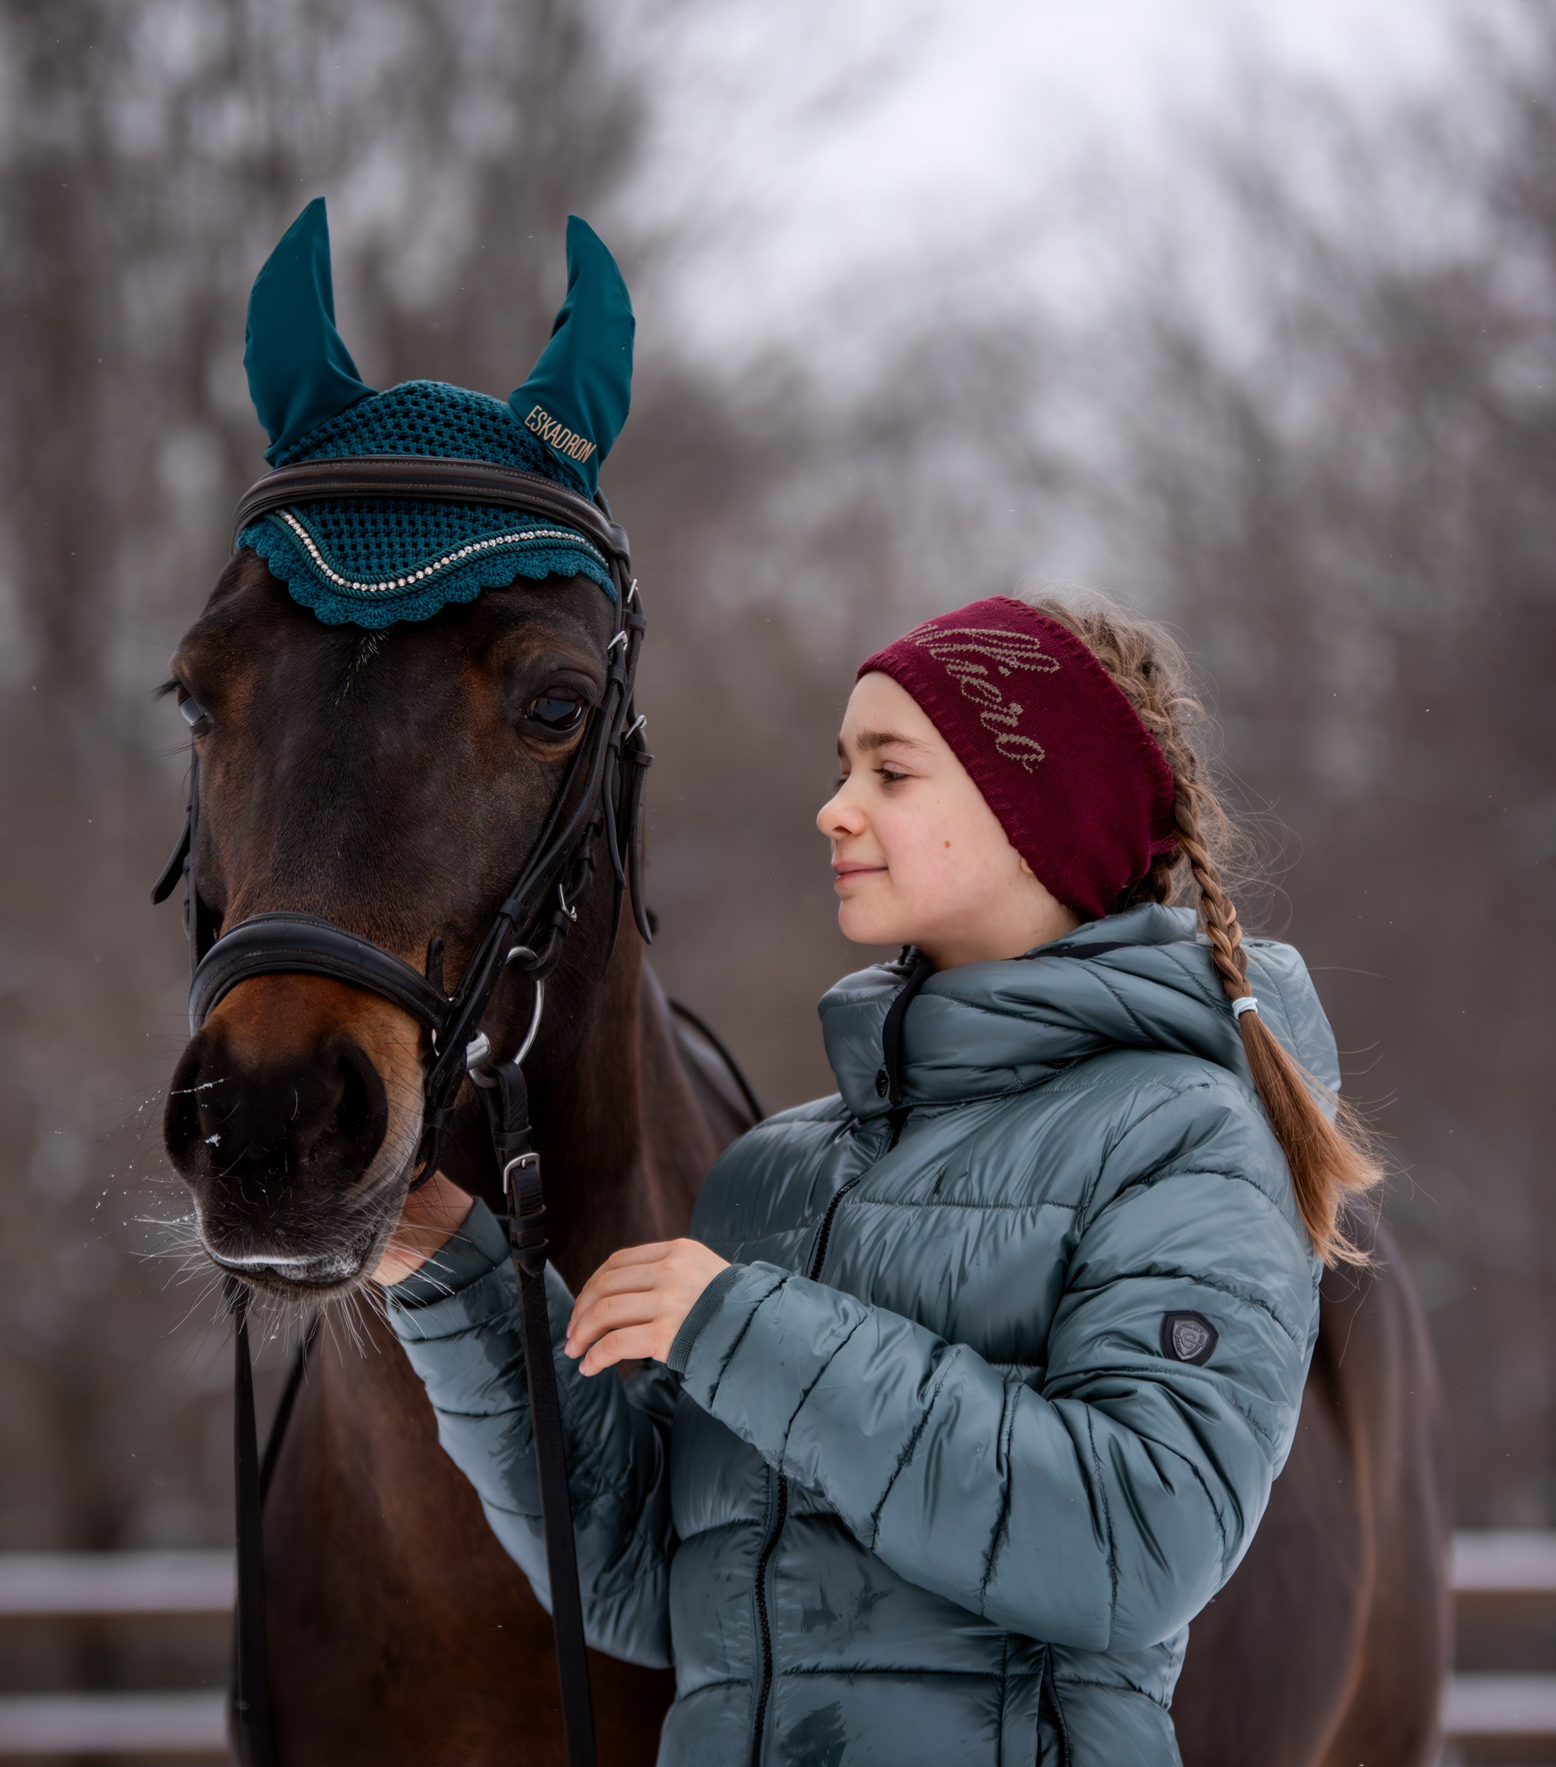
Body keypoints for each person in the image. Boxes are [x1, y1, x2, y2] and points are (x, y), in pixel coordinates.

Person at [375, 591, 1381, 1765]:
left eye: (889, 773)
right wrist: (460, 1280)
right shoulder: (772, 1176)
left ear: (1036, 812)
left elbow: (1132, 1542)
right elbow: (650, 1582)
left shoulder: (1179, 1136)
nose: (834, 808)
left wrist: (743, 1331)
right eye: (843, 766)